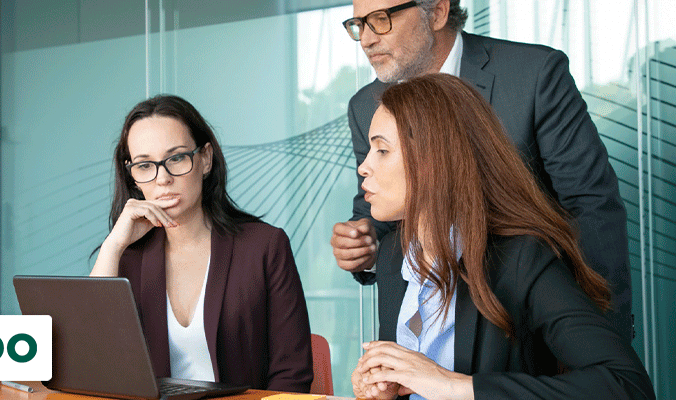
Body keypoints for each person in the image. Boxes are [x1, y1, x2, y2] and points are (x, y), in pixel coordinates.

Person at [330, 0, 633, 341]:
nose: (366, 39)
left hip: (533, 326)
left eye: (381, 20)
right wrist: (362, 241)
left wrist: (606, 334)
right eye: (358, 24)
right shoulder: (365, 104)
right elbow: (378, 214)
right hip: (430, 331)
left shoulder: (533, 74)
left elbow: (592, 208)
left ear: (439, 12)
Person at [350, 74, 653, 400]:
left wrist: (451, 386)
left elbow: (627, 387)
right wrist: (383, 390)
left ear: (434, 161)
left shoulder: (523, 258)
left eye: (382, 150)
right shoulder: (394, 254)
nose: (363, 167)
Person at [90, 95, 313, 392]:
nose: (163, 178)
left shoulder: (264, 246)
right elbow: (93, 363)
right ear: (132, 177)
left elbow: (292, 373)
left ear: (205, 159)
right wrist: (112, 246)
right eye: (145, 165)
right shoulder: (126, 258)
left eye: (177, 158)